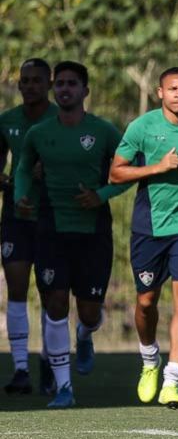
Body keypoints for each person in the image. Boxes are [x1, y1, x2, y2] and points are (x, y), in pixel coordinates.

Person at [15, 61, 129, 408]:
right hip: (51, 227)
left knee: (90, 312)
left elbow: (128, 172)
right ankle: (64, 387)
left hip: (93, 231)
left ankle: (86, 334)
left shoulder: (105, 131)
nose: (65, 89)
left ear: (85, 91)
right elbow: (22, 167)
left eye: (72, 84)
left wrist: (101, 196)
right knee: (55, 303)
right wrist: (22, 195)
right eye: (60, 84)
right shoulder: (39, 133)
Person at [109, 67, 178, 409]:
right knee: (146, 303)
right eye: (173, 89)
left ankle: (172, 381)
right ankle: (149, 359)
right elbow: (115, 173)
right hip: (149, 228)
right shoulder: (142, 127)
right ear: (160, 92)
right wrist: (156, 167)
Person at [0, 58, 58, 395]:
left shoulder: (61, 119)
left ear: (49, 84)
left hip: (54, 217)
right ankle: (20, 369)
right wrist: (9, 179)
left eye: (37, 80)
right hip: (16, 218)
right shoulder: (7, 122)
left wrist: (49, 172)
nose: (30, 85)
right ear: (19, 85)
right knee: (18, 289)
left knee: (52, 293)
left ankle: (50, 361)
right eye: (25, 80)